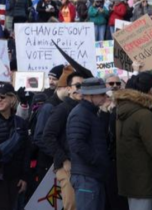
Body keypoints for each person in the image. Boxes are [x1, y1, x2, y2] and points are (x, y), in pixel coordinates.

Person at [115, 73, 152, 210]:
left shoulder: (123, 109)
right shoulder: (143, 115)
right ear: (150, 90)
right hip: (142, 179)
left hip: (129, 177)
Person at [42, 70, 85, 210]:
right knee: (72, 205)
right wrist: (64, 160)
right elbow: (47, 136)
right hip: (68, 167)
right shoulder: (62, 109)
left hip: (85, 167)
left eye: (84, 86)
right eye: (77, 86)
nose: (81, 89)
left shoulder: (88, 109)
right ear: (68, 88)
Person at [66, 78, 110, 210]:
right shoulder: (81, 113)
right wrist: (97, 160)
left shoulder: (90, 112)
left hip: (91, 174)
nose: (105, 97)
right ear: (90, 95)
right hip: (86, 176)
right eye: (102, 94)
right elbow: (77, 144)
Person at [0, 83, 30, 210]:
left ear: (12, 98)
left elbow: (25, 152)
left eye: (2, 96)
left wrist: (24, 177)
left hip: (15, 177)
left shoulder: (20, 123)